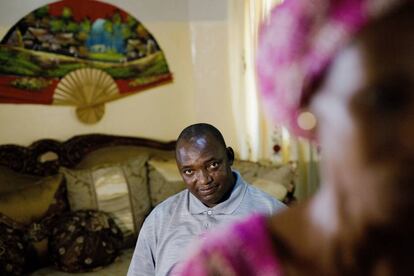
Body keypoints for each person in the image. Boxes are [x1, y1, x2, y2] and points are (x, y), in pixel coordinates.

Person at [175, 0, 414, 275]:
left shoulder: (264, 206)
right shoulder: (228, 267)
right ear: (308, 109)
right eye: (385, 100)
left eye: (212, 165)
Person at [127, 123, 285, 276]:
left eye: (213, 165)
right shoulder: (159, 219)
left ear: (229, 157)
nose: (203, 180)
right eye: (189, 171)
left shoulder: (274, 216)